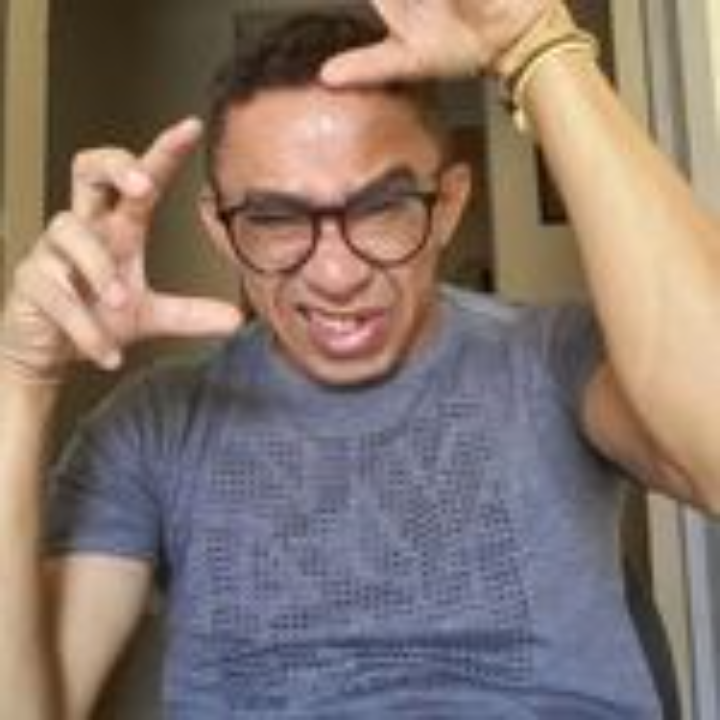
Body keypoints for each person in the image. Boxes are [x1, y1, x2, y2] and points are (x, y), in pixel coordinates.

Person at [1, 1, 720, 718]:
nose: (337, 275)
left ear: (448, 206)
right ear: (222, 231)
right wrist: (22, 374)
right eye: (276, 219)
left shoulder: (553, 361)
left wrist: (541, 48)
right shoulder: (154, 426)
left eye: (381, 208)